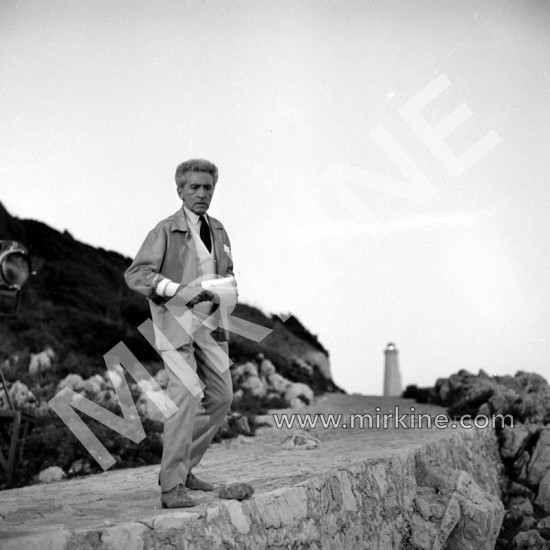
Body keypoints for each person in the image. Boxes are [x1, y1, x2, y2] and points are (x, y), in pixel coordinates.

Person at [124, 159, 236, 508]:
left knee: (222, 398)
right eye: (194, 188)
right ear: (180, 191)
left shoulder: (218, 229)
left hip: (209, 327)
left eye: (208, 187)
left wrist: (226, 291)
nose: (202, 194)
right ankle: (171, 487)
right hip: (174, 325)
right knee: (185, 397)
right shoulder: (164, 230)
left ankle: (185, 469)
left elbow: (229, 273)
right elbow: (137, 274)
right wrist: (175, 288)